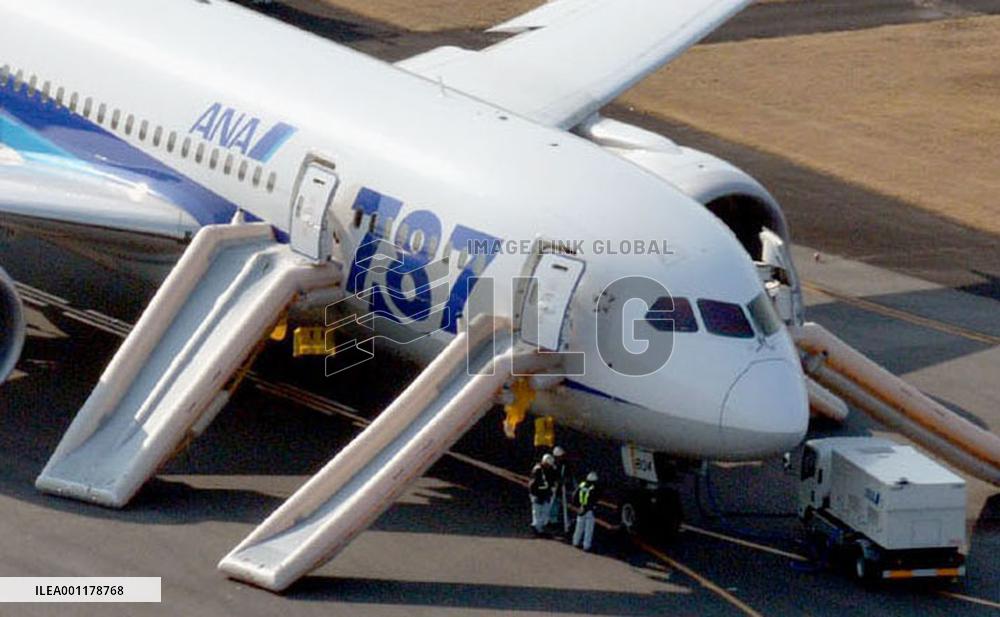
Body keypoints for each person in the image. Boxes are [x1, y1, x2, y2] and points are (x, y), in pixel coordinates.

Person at [572, 471, 601, 551]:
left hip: (581, 508)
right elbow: (594, 499)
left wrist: (577, 505)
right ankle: (586, 546)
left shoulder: (582, 485)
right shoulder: (593, 488)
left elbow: (575, 495)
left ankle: (575, 542)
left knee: (579, 526)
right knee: (589, 528)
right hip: (589, 509)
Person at [529, 454, 556, 535]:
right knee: (537, 512)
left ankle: (540, 527)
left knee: (545, 512)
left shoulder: (549, 469)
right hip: (538, 494)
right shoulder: (538, 470)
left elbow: (551, 480)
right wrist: (534, 494)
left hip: (545, 494)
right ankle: (537, 528)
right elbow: (533, 484)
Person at [549, 446, 573, 532]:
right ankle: (552, 520)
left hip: (561, 488)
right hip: (554, 488)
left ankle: (561, 521)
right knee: (553, 504)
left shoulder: (564, 464)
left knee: (560, 504)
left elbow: (568, 475)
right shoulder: (553, 464)